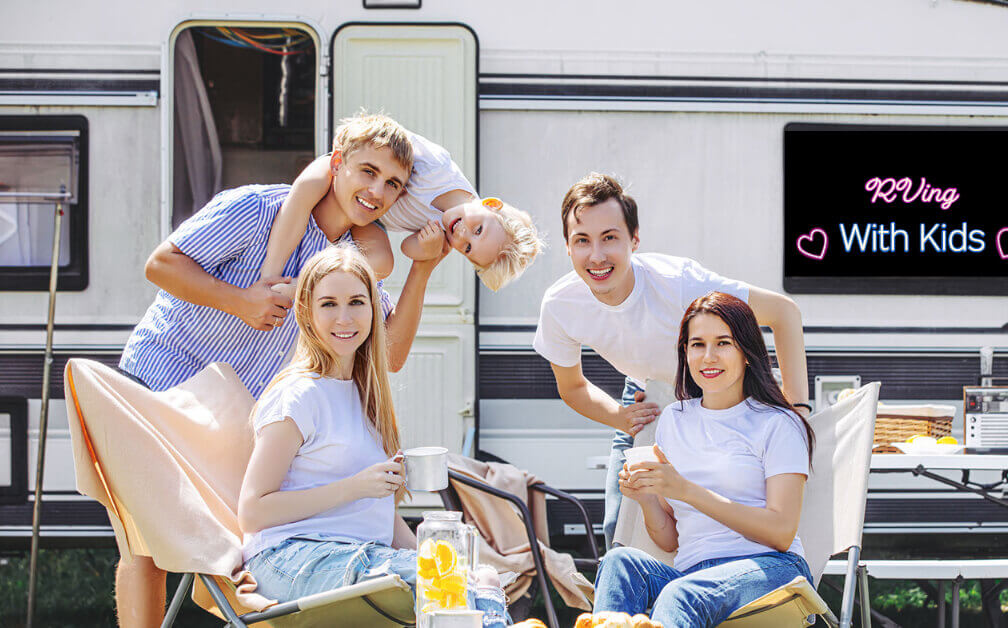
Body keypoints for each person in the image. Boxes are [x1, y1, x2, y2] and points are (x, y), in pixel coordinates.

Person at [115, 112, 446, 628]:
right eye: (367, 171)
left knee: (229, 549)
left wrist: (423, 267)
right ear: (335, 165)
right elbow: (160, 264)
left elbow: (390, 353)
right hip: (160, 381)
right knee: (146, 546)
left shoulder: (345, 262)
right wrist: (240, 301)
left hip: (233, 415)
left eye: (393, 184)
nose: (377, 190)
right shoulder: (258, 208)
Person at [532, 173, 810, 548]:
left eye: (610, 238)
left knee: (752, 511)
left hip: (724, 389)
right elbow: (573, 386)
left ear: (634, 240)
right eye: (582, 240)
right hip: (651, 395)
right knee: (622, 527)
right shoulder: (560, 305)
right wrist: (619, 416)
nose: (596, 256)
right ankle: (624, 606)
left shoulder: (678, 282)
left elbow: (784, 313)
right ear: (567, 247)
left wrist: (798, 410)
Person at [238, 244, 509, 626]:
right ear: (306, 312)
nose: (344, 317)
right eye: (329, 304)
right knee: (447, 592)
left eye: (357, 302)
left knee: (480, 578)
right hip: (291, 557)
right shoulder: (297, 396)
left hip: (359, 555)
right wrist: (354, 487)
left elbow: (377, 515)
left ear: (373, 310)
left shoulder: (367, 396)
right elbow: (252, 511)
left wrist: (428, 556)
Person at [591, 291, 816, 627]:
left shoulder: (777, 424)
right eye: (697, 345)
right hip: (692, 575)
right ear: (685, 353)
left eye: (723, 343)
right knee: (619, 563)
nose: (708, 357)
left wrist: (687, 490)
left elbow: (782, 532)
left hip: (771, 571)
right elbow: (670, 539)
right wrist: (648, 499)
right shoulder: (674, 420)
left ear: (747, 352)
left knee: (681, 593)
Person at [259, 122, 542, 292]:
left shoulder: (443, 236)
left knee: (382, 264)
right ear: (491, 205)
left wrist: (428, 250)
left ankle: (301, 287)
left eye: (467, 248)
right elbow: (387, 138)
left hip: (372, 217)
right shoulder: (437, 167)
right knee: (312, 183)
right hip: (354, 178)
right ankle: (269, 276)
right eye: (478, 230)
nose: (463, 236)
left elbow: (408, 247)